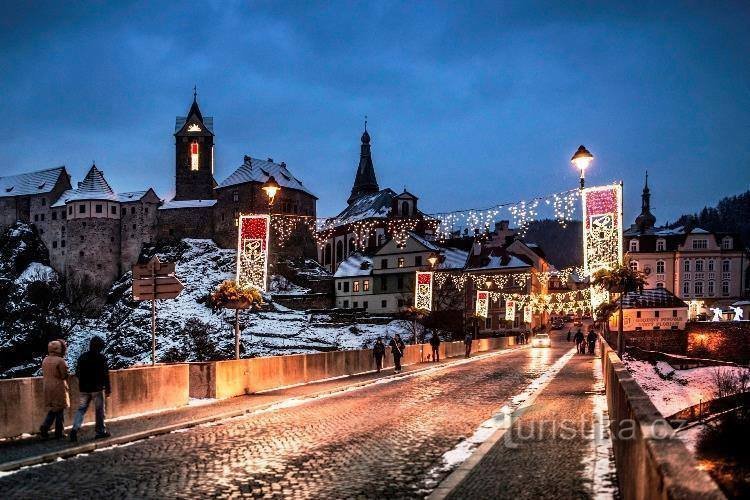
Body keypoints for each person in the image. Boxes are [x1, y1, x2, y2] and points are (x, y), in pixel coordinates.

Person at [70, 336, 111, 442]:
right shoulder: (101, 358)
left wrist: (83, 382)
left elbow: (77, 372)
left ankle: (74, 429)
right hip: (97, 389)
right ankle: (100, 431)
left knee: (81, 409)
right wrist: (107, 388)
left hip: (84, 388)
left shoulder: (82, 357)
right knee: (99, 411)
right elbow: (105, 374)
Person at [39, 339, 69, 439]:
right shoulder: (60, 361)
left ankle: (45, 426)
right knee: (60, 409)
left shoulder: (45, 360)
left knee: (53, 409)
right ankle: (59, 432)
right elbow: (64, 375)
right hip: (58, 387)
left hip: (47, 386)